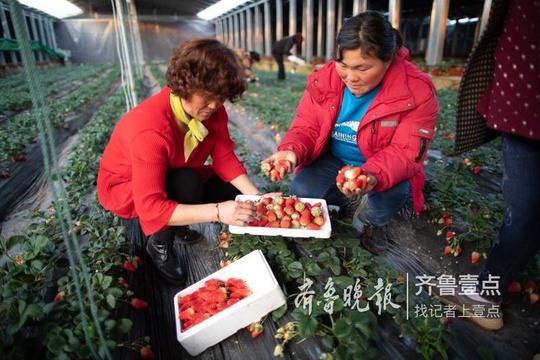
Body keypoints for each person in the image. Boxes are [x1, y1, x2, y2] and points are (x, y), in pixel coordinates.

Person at [263, 11, 438, 254]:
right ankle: (346, 199)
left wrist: (370, 176)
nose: (351, 77)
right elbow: (307, 125)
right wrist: (291, 151)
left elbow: (405, 153)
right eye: (343, 65)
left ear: (388, 60)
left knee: (391, 195)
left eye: (362, 68)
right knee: (303, 189)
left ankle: (373, 222)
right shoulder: (326, 78)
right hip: (335, 159)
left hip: (380, 163)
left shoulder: (415, 90)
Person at [97, 39, 260, 286]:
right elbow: (150, 205)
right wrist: (217, 212)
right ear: (186, 84)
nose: (214, 105)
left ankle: (179, 218)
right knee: (187, 183)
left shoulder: (212, 111)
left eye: (221, 97)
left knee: (232, 188)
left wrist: (258, 198)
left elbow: (224, 156)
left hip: (173, 171)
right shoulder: (149, 130)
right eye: (207, 96)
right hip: (130, 188)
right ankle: (159, 243)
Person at [434, 0, 539, 331]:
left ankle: (484, 297)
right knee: (527, 203)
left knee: (525, 204)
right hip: (523, 89)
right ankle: (485, 294)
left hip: (526, 95)